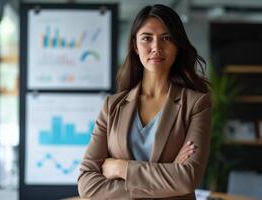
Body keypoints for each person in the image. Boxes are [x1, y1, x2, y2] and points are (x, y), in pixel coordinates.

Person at [77, 4, 211, 199]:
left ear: (177, 46)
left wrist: (122, 169)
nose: (156, 47)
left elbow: (187, 179)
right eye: (147, 38)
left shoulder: (196, 104)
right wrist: (167, 178)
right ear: (135, 46)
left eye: (166, 38)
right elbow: (86, 185)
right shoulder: (112, 106)